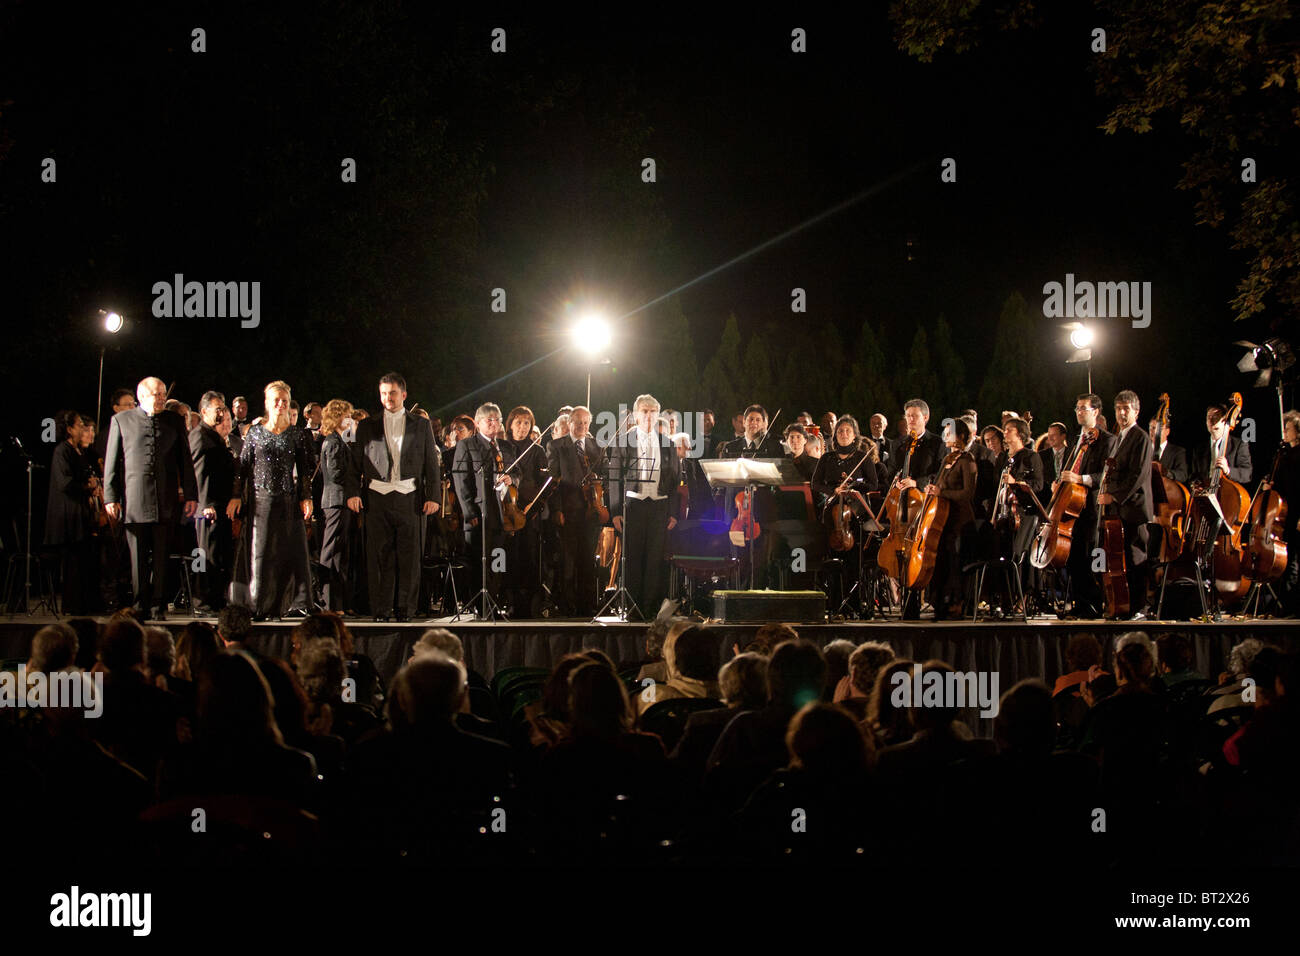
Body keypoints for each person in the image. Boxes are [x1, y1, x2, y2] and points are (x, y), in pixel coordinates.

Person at [103, 377, 198, 620]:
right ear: (142, 395)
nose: (161, 398)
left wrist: (190, 495)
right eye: (156, 394)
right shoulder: (121, 421)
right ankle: (139, 604)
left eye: (163, 394)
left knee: (162, 558)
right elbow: (112, 463)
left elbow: (185, 462)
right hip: (135, 501)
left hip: (165, 501)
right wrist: (110, 497)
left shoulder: (173, 420)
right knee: (137, 559)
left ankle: (158, 605)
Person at [352, 373, 440, 622]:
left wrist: (433, 495)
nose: (387, 398)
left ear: (403, 394)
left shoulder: (421, 425)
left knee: (409, 557)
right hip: (377, 497)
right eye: (383, 393)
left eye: (392, 393)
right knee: (380, 557)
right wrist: (352, 493)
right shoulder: (367, 425)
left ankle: (405, 610)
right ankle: (381, 610)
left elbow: (431, 465)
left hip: (409, 497)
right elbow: (355, 462)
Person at [227, 381, 314, 621]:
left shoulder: (297, 433)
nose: (281, 404)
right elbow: (243, 467)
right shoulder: (255, 432)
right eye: (276, 400)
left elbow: (304, 470)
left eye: (284, 400)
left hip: (288, 499)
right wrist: (236, 496)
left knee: (287, 552)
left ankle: (282, 605)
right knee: (261, 552)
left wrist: (306, 497)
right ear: (267, 403)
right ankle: (257, 604)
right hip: (261, 500)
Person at [607, 394, 680, 618]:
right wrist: (616, 511)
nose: (648, 416)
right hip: (633, 506)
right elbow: (614, 478)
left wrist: (673, 512)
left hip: (659, 507)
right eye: (644, 411)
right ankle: (631, 608)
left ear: (657, 415)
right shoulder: (623, 440)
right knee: (633, 558)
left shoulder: (668, 444)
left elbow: (675, 480)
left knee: (654, 559)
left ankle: (649, 609)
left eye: (652, 412)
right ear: (636, 415)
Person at [1056, 393, 1117, 618]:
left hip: (1091, 508)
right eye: (1077, 408)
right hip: (1070, 505)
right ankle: (1079, 604)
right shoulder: (1075, 440)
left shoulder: (1107, 440)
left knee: (1090, 557)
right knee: (1072, 559)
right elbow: (1068, 468)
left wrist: (1079, 479)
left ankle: (1094, 604)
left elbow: (1107, 475)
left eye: (1084, 408)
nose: (1079, 412)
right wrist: (1060, 481)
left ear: (1095, 412)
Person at [1097, 390, 1154, 617]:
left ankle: (1140, 606)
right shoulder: (1118, 438)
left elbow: (1137, 475)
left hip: (1135, 509)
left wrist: (1114, 496)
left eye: (1126, 409)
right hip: (1119, 509)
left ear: (1136, 412)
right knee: (1120, 559)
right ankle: (1123, 604)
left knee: (1135, 556)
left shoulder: (1140, 437)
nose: (1121, 413)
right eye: (1119, 409)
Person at [547, 405, 606, 616]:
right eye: (578, 422)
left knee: (588, 560)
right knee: (568, 561)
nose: (582, 426)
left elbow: (605, 472)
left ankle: (587, 605)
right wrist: (557, 510)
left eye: (585, 423)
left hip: (591, 511)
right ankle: (567, 605)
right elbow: (553, 481)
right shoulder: (556, 446)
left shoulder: (596, 446)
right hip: (568, 511)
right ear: (569, 423)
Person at [453, 403, 509, 613]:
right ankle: (479, 604)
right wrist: (468, 511)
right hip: (478, 512)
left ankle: (495, 598)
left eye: (497, 420)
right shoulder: (467, 445)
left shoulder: (506, 447)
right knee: (478, 560)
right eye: (489, 420)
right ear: (478, 423)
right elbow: (461, 481)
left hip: (501, 513)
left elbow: (518, 473)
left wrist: (513, 478)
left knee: (498, 558)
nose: (494, 424)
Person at [45, 410, 98, 615]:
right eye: (78, 425)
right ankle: (73, 605)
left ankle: (85, 603)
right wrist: (87, 484)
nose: (82, 429)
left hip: (81, 513)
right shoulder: (62, 451)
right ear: (69, 429)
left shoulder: (79, 451)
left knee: (84, 559)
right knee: (73, 562)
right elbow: (65, 482)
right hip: (68, 515)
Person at [190, 391, 236, 613]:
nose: (221, 413)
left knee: (218, 554)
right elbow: (199, 473)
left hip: (220, 504)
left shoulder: (214, 436)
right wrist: (204, 503)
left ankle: (216, 598)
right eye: (217, 409)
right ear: (204, 411)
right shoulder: (200, 436)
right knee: (204, 555)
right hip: (207, 507)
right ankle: (202, 600)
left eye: (222, 408)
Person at [319, 399, 361, 613]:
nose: (350, 419)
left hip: (342, 502)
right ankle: (328, 602)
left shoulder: (341, 440)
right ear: (337, 417)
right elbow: (336, 473)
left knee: (341, 553)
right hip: (336, 501)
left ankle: (340, 602)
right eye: (346, 415)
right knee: (332, 552)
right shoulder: (333, 441)